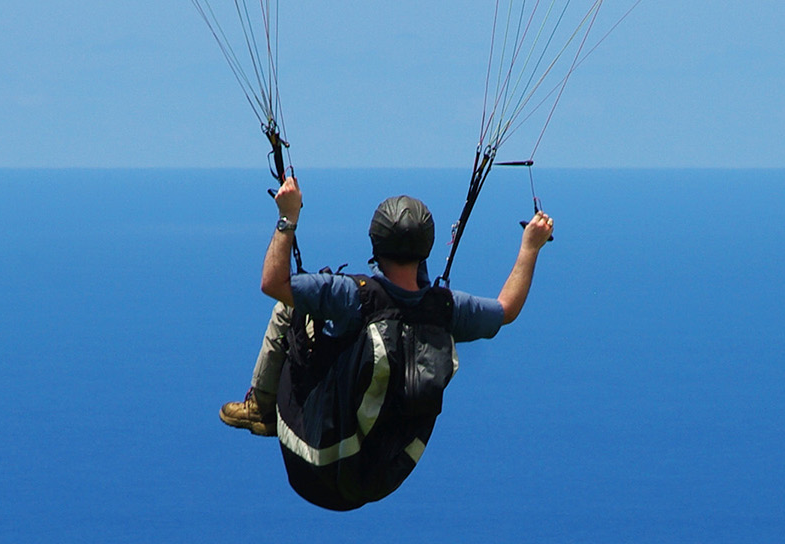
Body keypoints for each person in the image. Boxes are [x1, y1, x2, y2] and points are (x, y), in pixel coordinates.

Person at [218, 175, 553, 509]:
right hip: (377, 477)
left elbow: (272, 282)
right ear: (426, 249)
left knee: (288, 307)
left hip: (312, 463)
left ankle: (260, 407)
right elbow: (506, 310)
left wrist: (287, 217)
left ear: (375, 245)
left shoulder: (350, 296)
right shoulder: (445, 309)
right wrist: (531, 246)